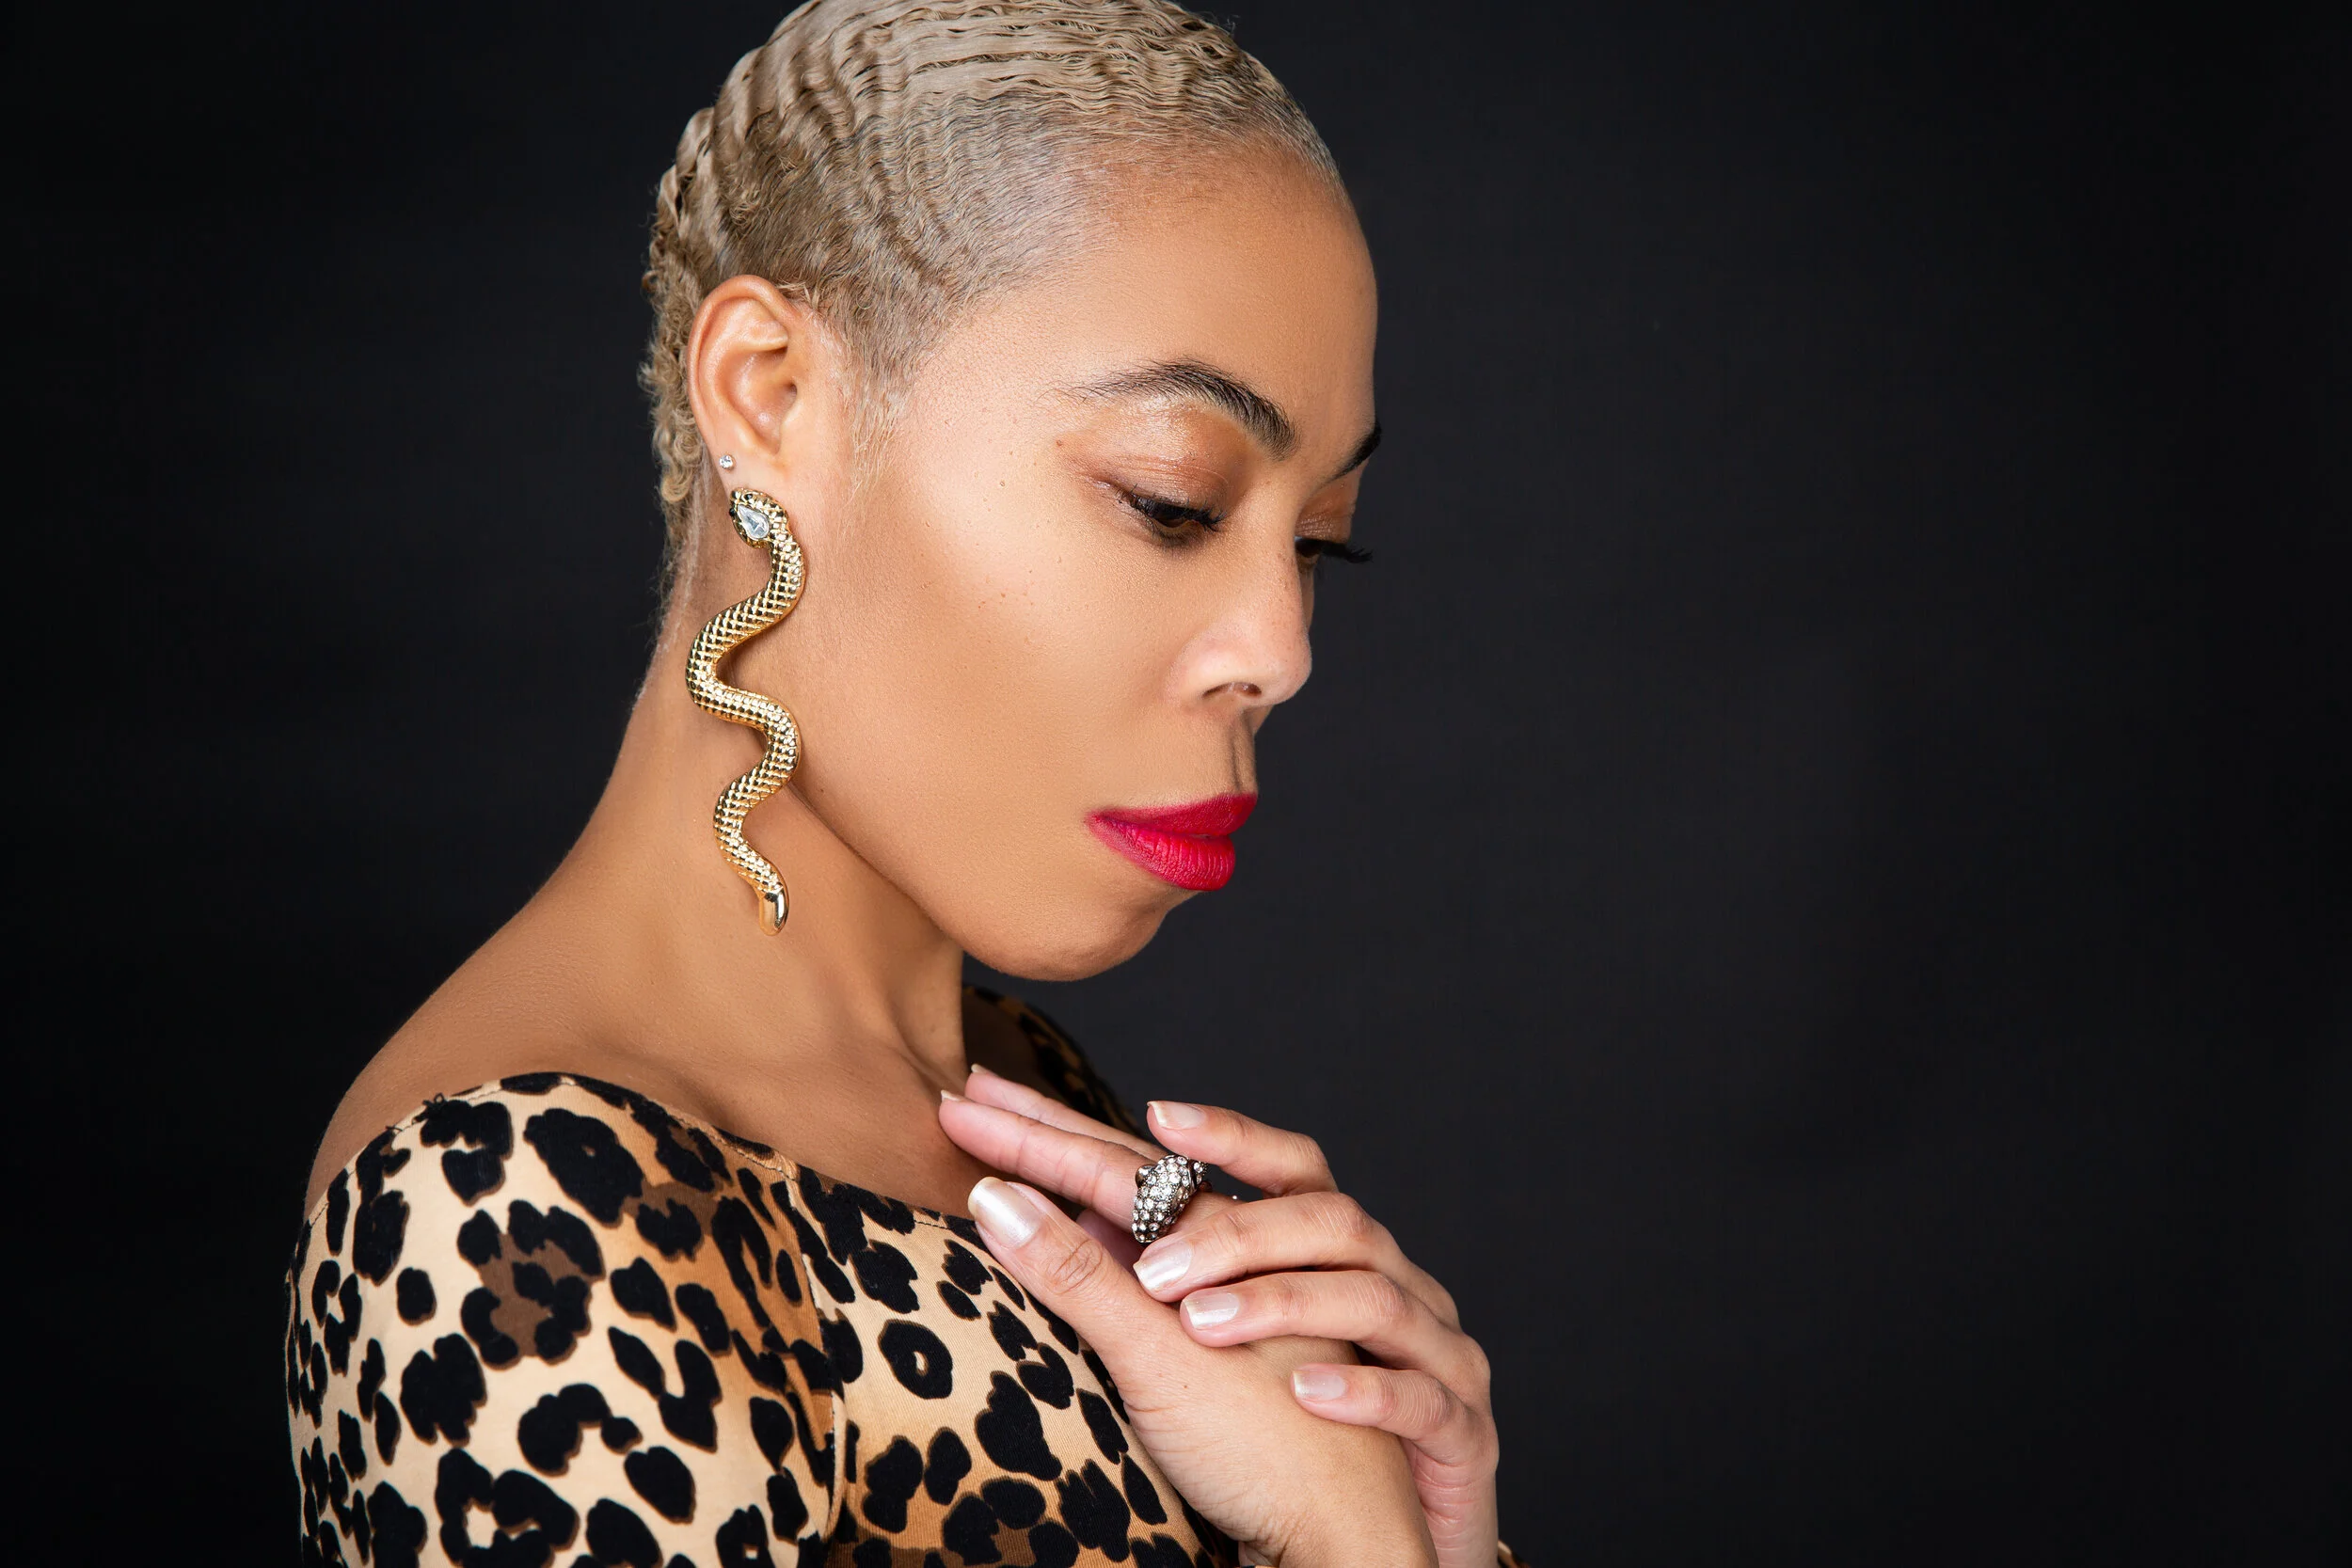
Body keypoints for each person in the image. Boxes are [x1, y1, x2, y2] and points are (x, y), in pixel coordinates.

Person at [285, 3, 1511, 1563]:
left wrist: (1425, 1531)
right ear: (774, 396)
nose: (1279, 649)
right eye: (1172, 497)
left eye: (1317, 541)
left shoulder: (1029, 1106)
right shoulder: (505, 1212)